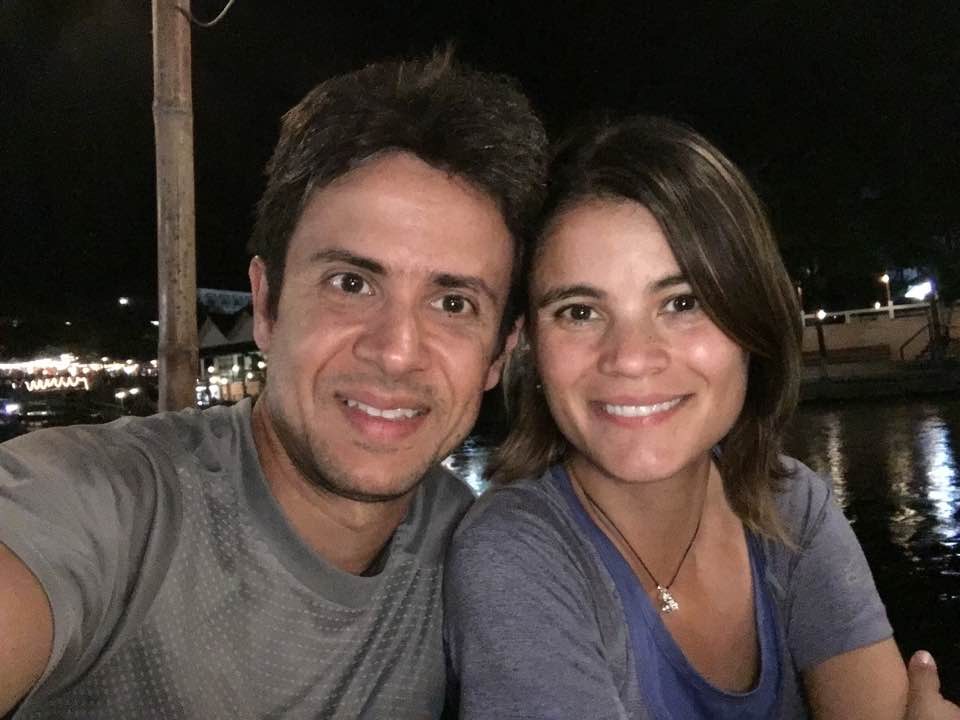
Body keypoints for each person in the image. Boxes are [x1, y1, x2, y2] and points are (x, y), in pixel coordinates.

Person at [0, 51, 546, 718]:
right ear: (265, 305)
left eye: (453, 303)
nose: (397, 352)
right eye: (351, 283)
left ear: (498, 354)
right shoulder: (112, 509)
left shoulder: (479, 553)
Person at [444, 115, 917, 719]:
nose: (631, 358)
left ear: (751, 323)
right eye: (580, 312)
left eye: (682, 302)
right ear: (530, 348)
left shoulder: (792, 510)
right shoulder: (516, 555)